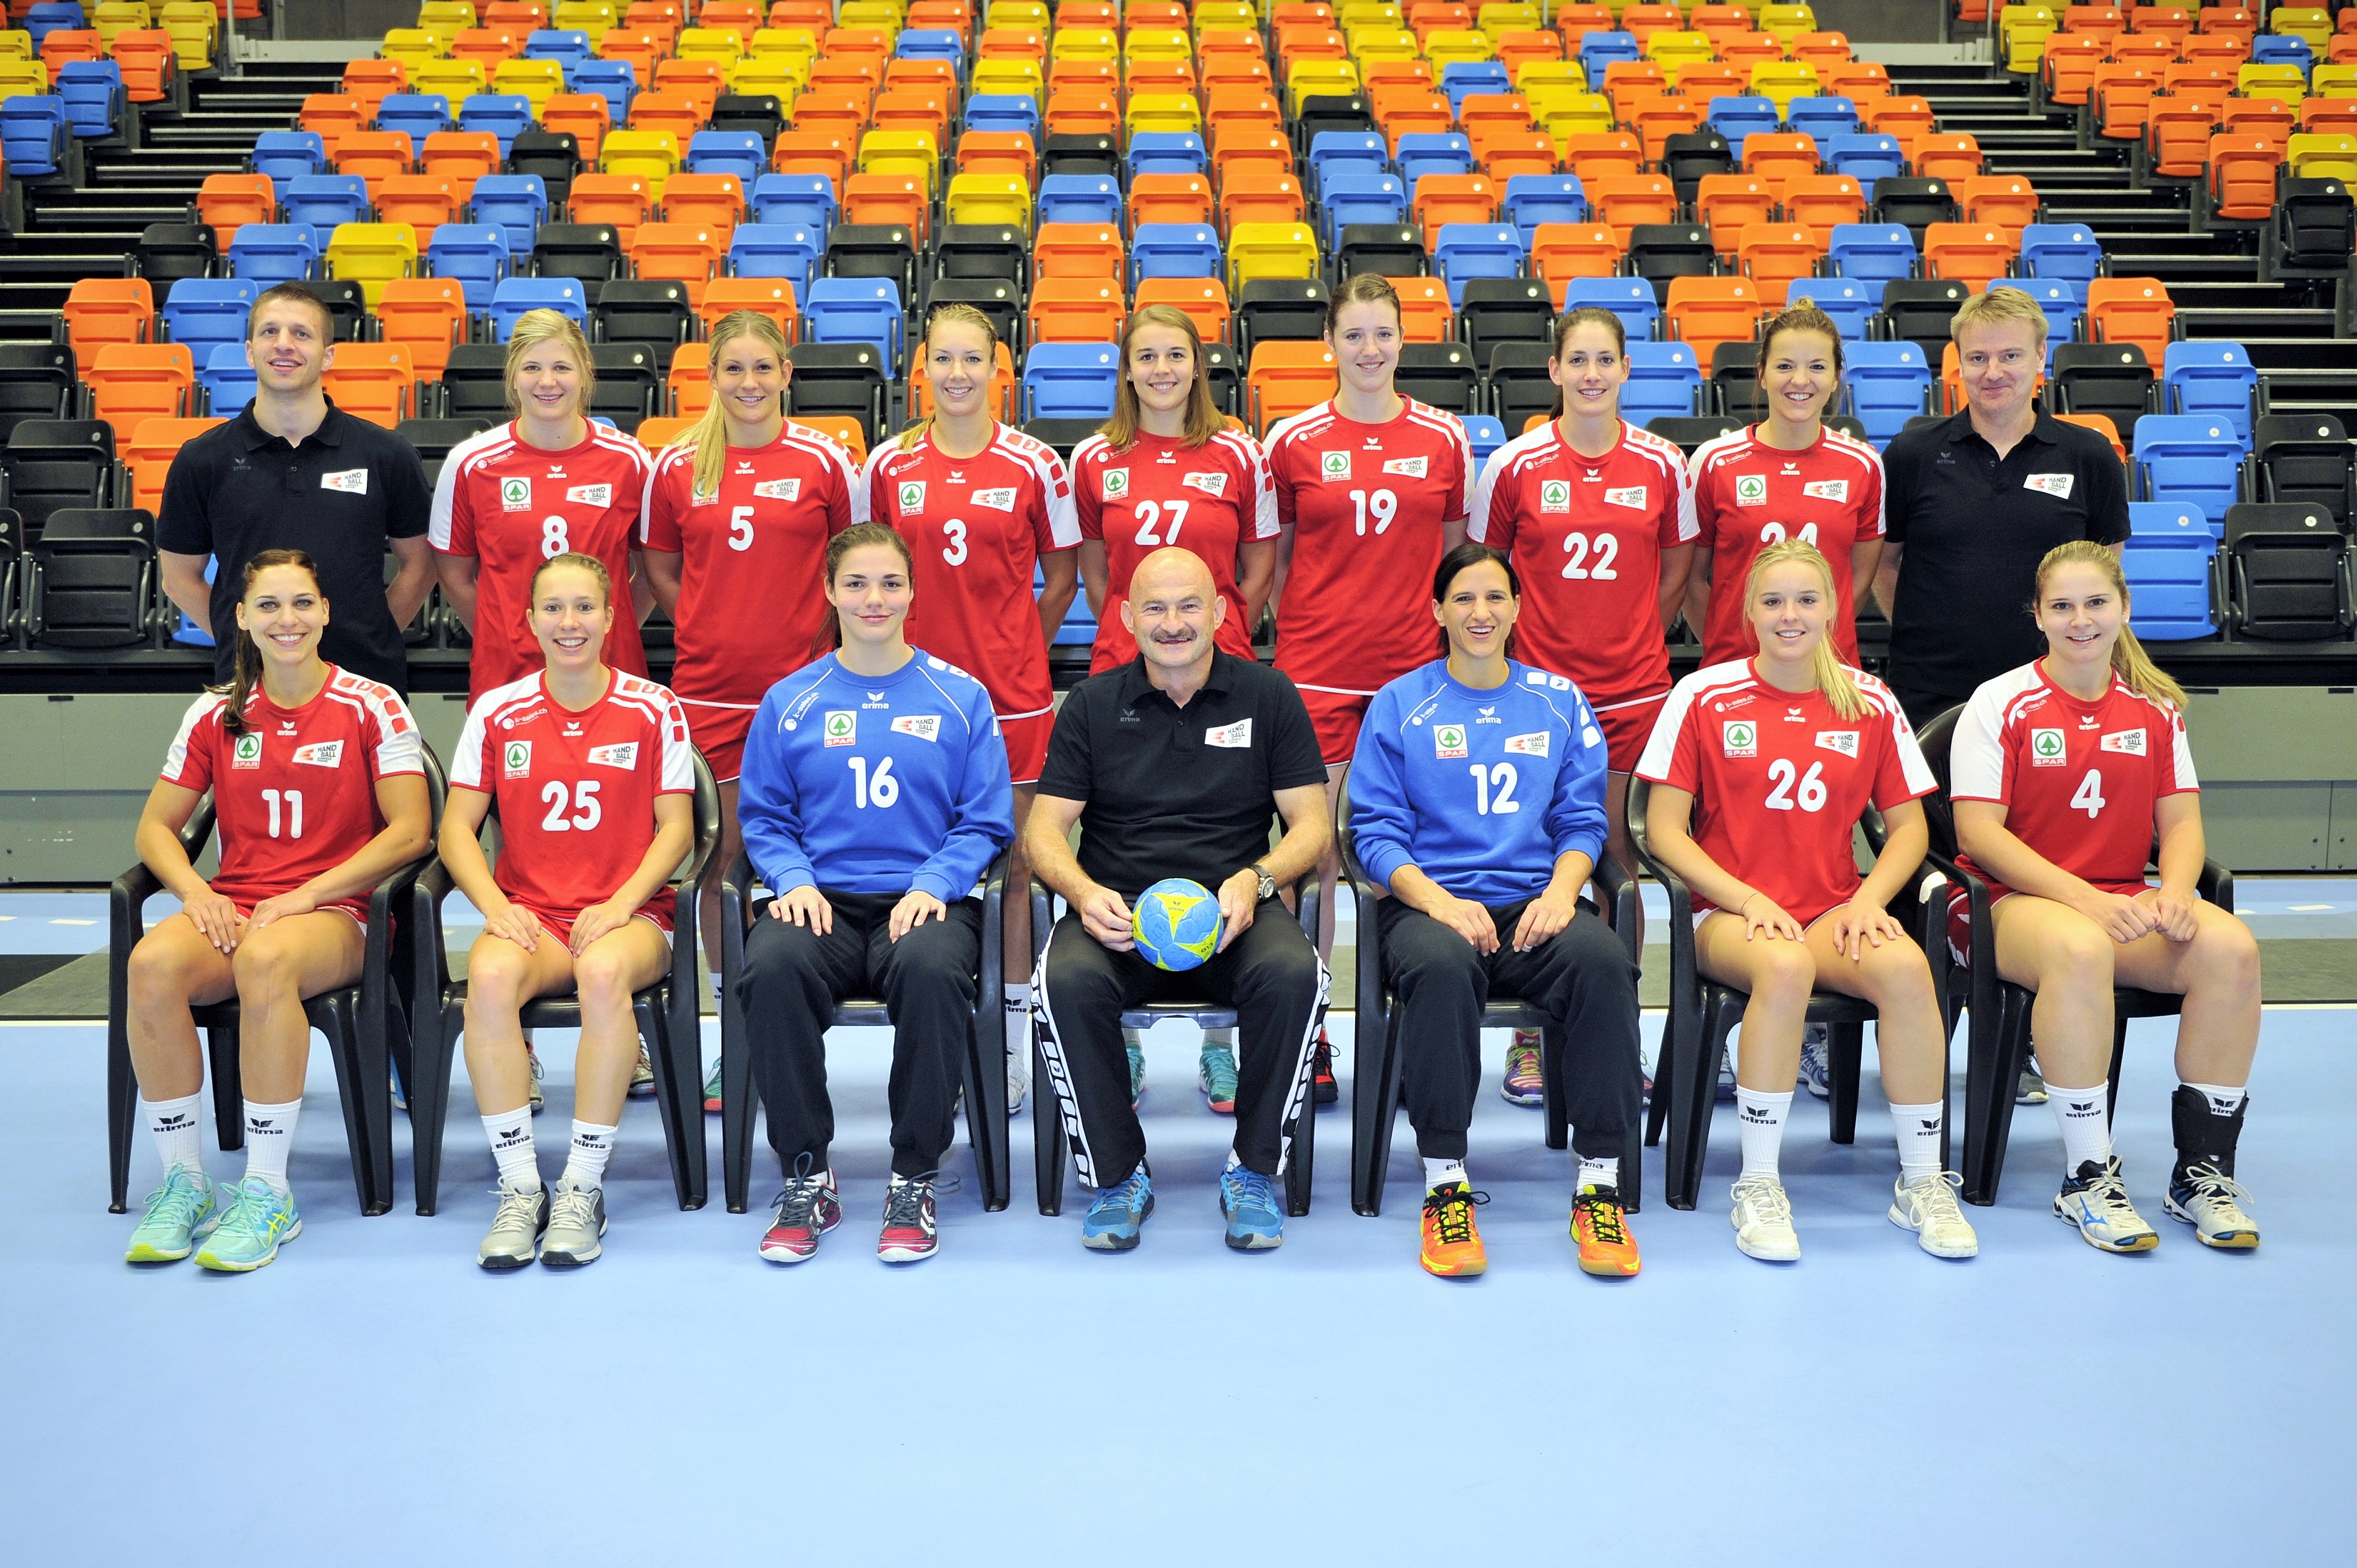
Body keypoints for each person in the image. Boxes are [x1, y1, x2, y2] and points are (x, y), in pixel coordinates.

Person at [1637, 540, 1978, 1264]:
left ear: (1833, 608)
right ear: (1747, 613)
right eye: (1772, 601)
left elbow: (1910, 827)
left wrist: (1870, 901)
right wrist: (1743, 898)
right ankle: (1758, 1182)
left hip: (1829, 911)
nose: (1789, 616)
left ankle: (1920, 1181)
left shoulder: (1868, 699)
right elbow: (1663, 830)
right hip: (1725, 916)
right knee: (1784, 967)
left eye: (1806, 600)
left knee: (1909, 971)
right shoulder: (1701, 695)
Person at [122, 549, 431, 1270]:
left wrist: (307, 895)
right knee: (152, 965)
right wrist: (198, 896)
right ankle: (187, 1181)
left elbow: (411, 831)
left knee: (266, 959)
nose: (285, 620)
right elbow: (153, 831)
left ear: (325, 612)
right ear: (240, 617)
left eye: (300, 604)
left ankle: (266, 1191)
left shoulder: (372, 703)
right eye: (268, 605)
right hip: (240, 906)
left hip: (339, 915)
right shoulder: (216, 711)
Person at [1950, 541, 2262, 1253]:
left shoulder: (2155, 708)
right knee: (2079, 945)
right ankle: (2088, 1175)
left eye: (2095, 603)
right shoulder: (1999, 702)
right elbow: (1979, 834)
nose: (2080, 620)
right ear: (2037, 616)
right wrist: (2084, 902)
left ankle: (2201, 1173)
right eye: (2061, 606)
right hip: (2005, 902)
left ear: (2123, 609)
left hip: (2121, 897)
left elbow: (2180, 822)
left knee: (2228, 949)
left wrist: (2177, 894)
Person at [1348, 543, 1645, 1279]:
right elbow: (1373, 834)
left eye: (1494, 598)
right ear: (1438, 610)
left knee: (1604, 963)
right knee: (1443, 971)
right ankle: (1445, 1181)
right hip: (1429, 905)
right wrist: (1442, 904)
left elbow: (1582, 823)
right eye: (1464, 599)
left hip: (1534, 904)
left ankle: (1598, 1184)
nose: (1480, 613)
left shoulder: (1558, 699)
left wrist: (1559, 895)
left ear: (1516, 607)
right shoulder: (1400, 703)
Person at [1026, 548, 1331, 1253]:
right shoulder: (1094, 705)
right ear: (1127, 617)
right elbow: (1043, 831)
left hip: (1235, 914)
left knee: (1295, 975)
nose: (1173, 623)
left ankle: (1253, 1170)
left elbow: (1312, 825)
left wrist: (1255, 880)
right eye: (1155, 608)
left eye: (1189, 605)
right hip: (1121, 918)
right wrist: (1082, 892)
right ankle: (1117, 1173)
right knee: (1063, 982)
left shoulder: (1269, 695)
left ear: (1222, 613)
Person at [732, 525, 1015, 1266]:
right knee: (771, 968)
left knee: (930, 970)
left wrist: (934, 883)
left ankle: (913, 1175)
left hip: (922, 901)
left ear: (913, 592)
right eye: (856, 583)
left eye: (889, 583)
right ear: (828, 592)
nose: (873, 599)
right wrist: (791, 879)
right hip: (819, 899)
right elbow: (763, 816)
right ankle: (807, 1177)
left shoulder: (959, 697)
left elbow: (985, 819)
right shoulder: (791, 701)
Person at [1464, 304, 1696, 1107]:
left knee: (1621, 865)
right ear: (1554, 371)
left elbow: (1674, 574)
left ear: (1626, 370)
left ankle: (1611, 1029)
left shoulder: (1665, 463)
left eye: (1607, 360)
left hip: (1632, 691)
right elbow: (1488, 580)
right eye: (1578, 361)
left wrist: (1627, 638)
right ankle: (1531, 1040)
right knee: (1534, 859)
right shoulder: (1517, 464)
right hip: (1533, 698)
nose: (1592, 374)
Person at [441, 553, 696, 1271]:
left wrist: (620, 904)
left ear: (612, 616)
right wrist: (494, 907)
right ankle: (521, 1186)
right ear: (528, 621)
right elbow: (456, 829)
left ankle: (582, 1185)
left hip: (632, 917)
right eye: (553, 608)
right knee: (488, 979)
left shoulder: (653, 706)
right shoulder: (498, 709)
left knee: (605, 975)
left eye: (584, 607)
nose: (569, 622)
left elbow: (676, 827)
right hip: (535, 916)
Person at [861, 302, 1080, 1118]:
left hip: (1011, 696)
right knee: (925, 860)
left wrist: (1014, 641)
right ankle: (939, 1035)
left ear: (999, 369)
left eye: (972, 360)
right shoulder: (887, 465)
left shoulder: (1033, 464)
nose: (957, 374)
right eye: (943, 359)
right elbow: (868, 579)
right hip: (910, 696)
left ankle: (1014, 1037)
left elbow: (1060, 579)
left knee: (1017, 865)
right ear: (922, 368)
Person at [642, 309, 864, 1111]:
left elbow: (853, 565)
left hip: (807, 691)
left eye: (761, 368)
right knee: (719, 863)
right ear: (712, 378)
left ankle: (803, 1028)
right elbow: (663, 573)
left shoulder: (825, 460)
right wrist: (709, 626)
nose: (748, 383)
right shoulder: (675, 466)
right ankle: (732, 1035)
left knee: (819, 857)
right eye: (732, 369)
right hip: (707, 692)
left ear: (785, 375)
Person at [1263, 274, 1475, 1103]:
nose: (1368, 349)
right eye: (1353, 334)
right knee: (1307, 857)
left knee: (1411, 857)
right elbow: (1273, 562)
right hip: (1316, 671)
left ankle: (1409, 1024)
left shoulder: (1444, 438)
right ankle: (1303, 1030)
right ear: (1330, 342)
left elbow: (1454, 557)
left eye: (1382, 333)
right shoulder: (1292, 440)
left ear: (1401, 339)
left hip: (1416, 680)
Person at [1069, 303, 1278, 1117]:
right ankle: (1117, 1036)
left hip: (1218, 675)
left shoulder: (1239, 452)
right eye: (1145, 355)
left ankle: (1219, 1044)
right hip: (1124, 676)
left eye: (1175, 355)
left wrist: (1214, 640)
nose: (1160, 368)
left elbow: (1257, 572)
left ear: (1199, 366)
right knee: (1117, 846)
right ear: (1126, 369)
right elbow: (1096, 580)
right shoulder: (1096, 458)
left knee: (1224, 836)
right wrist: (1141, 646)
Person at [1688, 301, 1890, 1105]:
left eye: (1816, 366)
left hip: (1825, 690)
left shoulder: (1861, 467)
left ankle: (1802, 1027)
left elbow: (1862, 573)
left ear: (1836, 380)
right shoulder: (1716, 462)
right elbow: (1698, 574)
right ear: (1760, 374)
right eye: (1785, 365)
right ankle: (1740, 1019)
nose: (1799, 380)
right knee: (1733, 849)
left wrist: (1817, 657)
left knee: (1817, 850)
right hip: (1732, 687)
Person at [1875, 286, 2132, 730]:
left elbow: (2103, 572)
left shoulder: (2090, 456)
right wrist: (1934, 636)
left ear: (2040, 356)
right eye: (1977, 358)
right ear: (1959, 364)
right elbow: (1883, 565)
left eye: (2010, 356)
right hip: (1930, 694)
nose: (1993, 372)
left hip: (2053, 689)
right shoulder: (1910, 454)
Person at [159, 283, 435, 694]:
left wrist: (372, 635)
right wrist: (254, 639)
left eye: (301, 334)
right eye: (270, 332)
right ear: (250, 350)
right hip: (248, 689)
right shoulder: (202, 460)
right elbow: (179, 579)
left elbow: (422, 564)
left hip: (366, 686)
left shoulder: (386, 453)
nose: (284, 344)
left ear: (328, 355)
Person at [431, 308, 657, 704]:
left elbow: (655, 571)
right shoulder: (470, 463)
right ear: (513, 376)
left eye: (561, 367)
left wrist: (604, 629)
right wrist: (505, 633)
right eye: (532, 367)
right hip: (506, 678)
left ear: (585, 372)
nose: (547, 382)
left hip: (611, 674)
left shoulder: (629, 460)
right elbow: (454, 577)